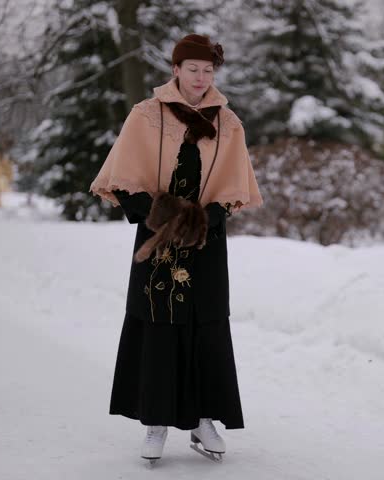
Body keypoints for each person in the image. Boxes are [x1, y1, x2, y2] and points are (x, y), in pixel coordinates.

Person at [89, 33, 263, 465]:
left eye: (208, 71)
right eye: (193, 69)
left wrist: (205, 218)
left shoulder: (229, 122)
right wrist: (161, 214)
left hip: (205, 239)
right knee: (159, 324)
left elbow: (234, 187)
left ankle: (204, 417)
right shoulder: (146, 116)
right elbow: (123, 177)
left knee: (204, 325)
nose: (201, 78)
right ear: (176, 69)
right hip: (159, 233)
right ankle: (156, 421)